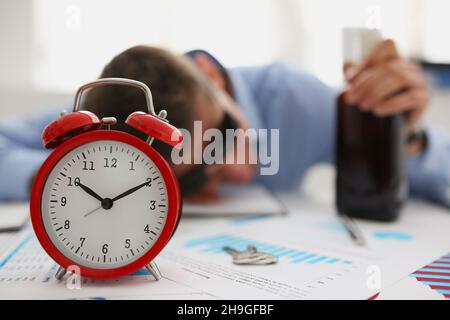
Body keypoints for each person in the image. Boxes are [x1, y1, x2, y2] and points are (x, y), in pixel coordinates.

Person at [0, 42, 449, 209]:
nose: (236, 171)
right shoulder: (106, 117)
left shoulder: (295, 99)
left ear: (211, 77)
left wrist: (401, 139)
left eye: (223, 138)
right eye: (195, 176)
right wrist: (66, 177)